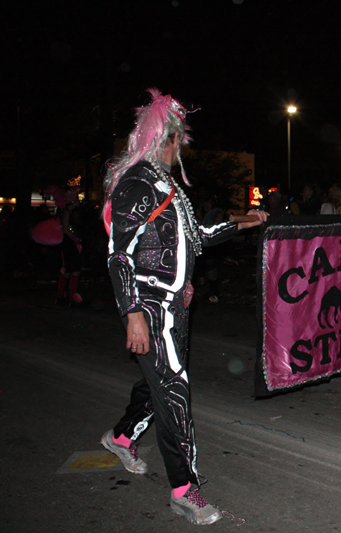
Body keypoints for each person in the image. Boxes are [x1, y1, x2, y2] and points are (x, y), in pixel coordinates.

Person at [100, 88, 267, 526]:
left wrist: (242, 223)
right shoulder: (138, 183)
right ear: (168, 139)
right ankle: (183, 489)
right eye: (180, 141)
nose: (181, 150)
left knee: (160, 382)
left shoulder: (165, 184)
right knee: (174, 390)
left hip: (176, 305)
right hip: (151, 306)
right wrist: (133, 313)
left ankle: (122, 437)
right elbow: (119, 255)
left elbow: (197, 238)